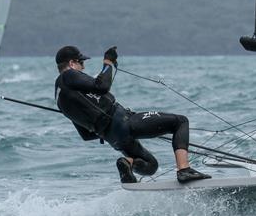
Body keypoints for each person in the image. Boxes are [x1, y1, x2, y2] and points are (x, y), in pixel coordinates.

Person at [54, 45, 211, 184]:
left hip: (112, 138)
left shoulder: (59, 99)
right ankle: (184, 170)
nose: (83, 67)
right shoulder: (68, 76)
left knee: (150, 166)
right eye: (81, 63)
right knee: (180, 122)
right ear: (71, 63)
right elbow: (102, 86)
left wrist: (107, 129)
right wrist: (108, 63)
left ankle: (127, 162)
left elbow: (86, 135)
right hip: (122, 122)